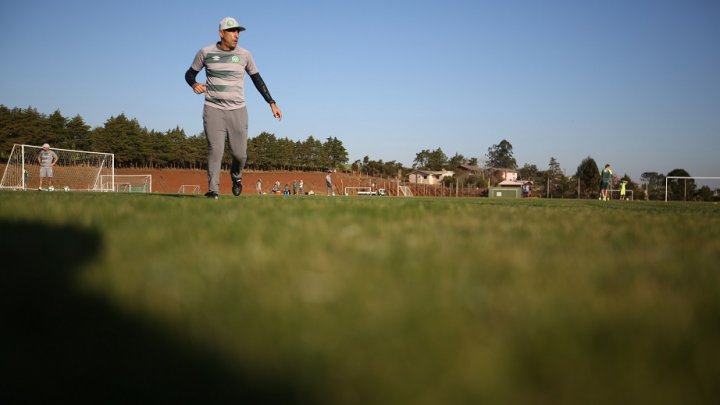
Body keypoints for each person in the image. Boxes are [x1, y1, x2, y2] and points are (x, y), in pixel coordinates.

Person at [185, 16, 282, 199]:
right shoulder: (205, 53)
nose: (236, 35)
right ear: (221, 33)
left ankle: (236, 176)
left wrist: (272, 103)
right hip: (213, 108)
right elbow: (189, 74)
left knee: (240, 154)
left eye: (238, 31)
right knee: (216, 150)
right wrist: (194, 84)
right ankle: (213, 190)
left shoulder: (245, 55)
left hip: (238, 110)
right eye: (232, 31)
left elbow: (257, 80)